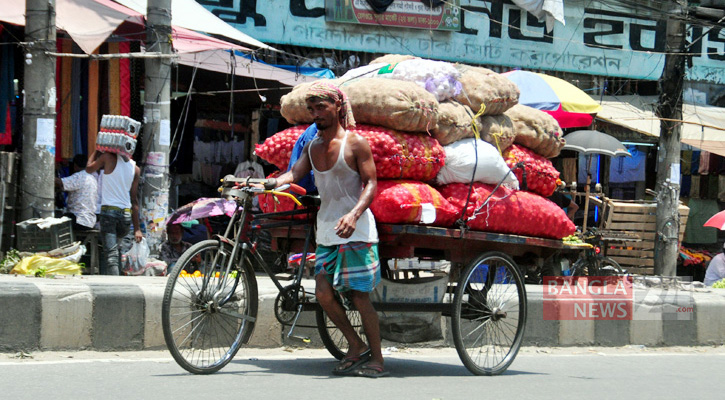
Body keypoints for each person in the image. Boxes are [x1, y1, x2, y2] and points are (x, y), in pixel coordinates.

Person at [272, 81, 387, 378]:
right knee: (323, 294)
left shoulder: (355, 143)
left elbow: (371, 183)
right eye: (311, 109)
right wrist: (265, 184)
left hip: (357, 230)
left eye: (321, 107)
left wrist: (354, 213)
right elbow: (294, 174)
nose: (316, 113)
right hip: (327, 229)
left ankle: (377, 359)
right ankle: (355, 344)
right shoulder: (312, 147)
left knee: (359, 297)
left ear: (338, 107)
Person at [86, 150, 143, 275]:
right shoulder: (135, 168)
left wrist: (95, 151)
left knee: (111, 255)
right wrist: (137, 229)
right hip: (126, 216)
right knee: (115, 250)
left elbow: (89, 169)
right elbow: (134, 201)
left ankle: (114, 286)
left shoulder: (108, 158)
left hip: (109, 213)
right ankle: (111, 280)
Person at [55, 154, 97, 232]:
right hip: (90, 220)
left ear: (75, 166)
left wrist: (46, 175)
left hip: (79, 219)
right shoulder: (92, 178)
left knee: (54, 222)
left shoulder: (79, 176)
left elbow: (60, 182)